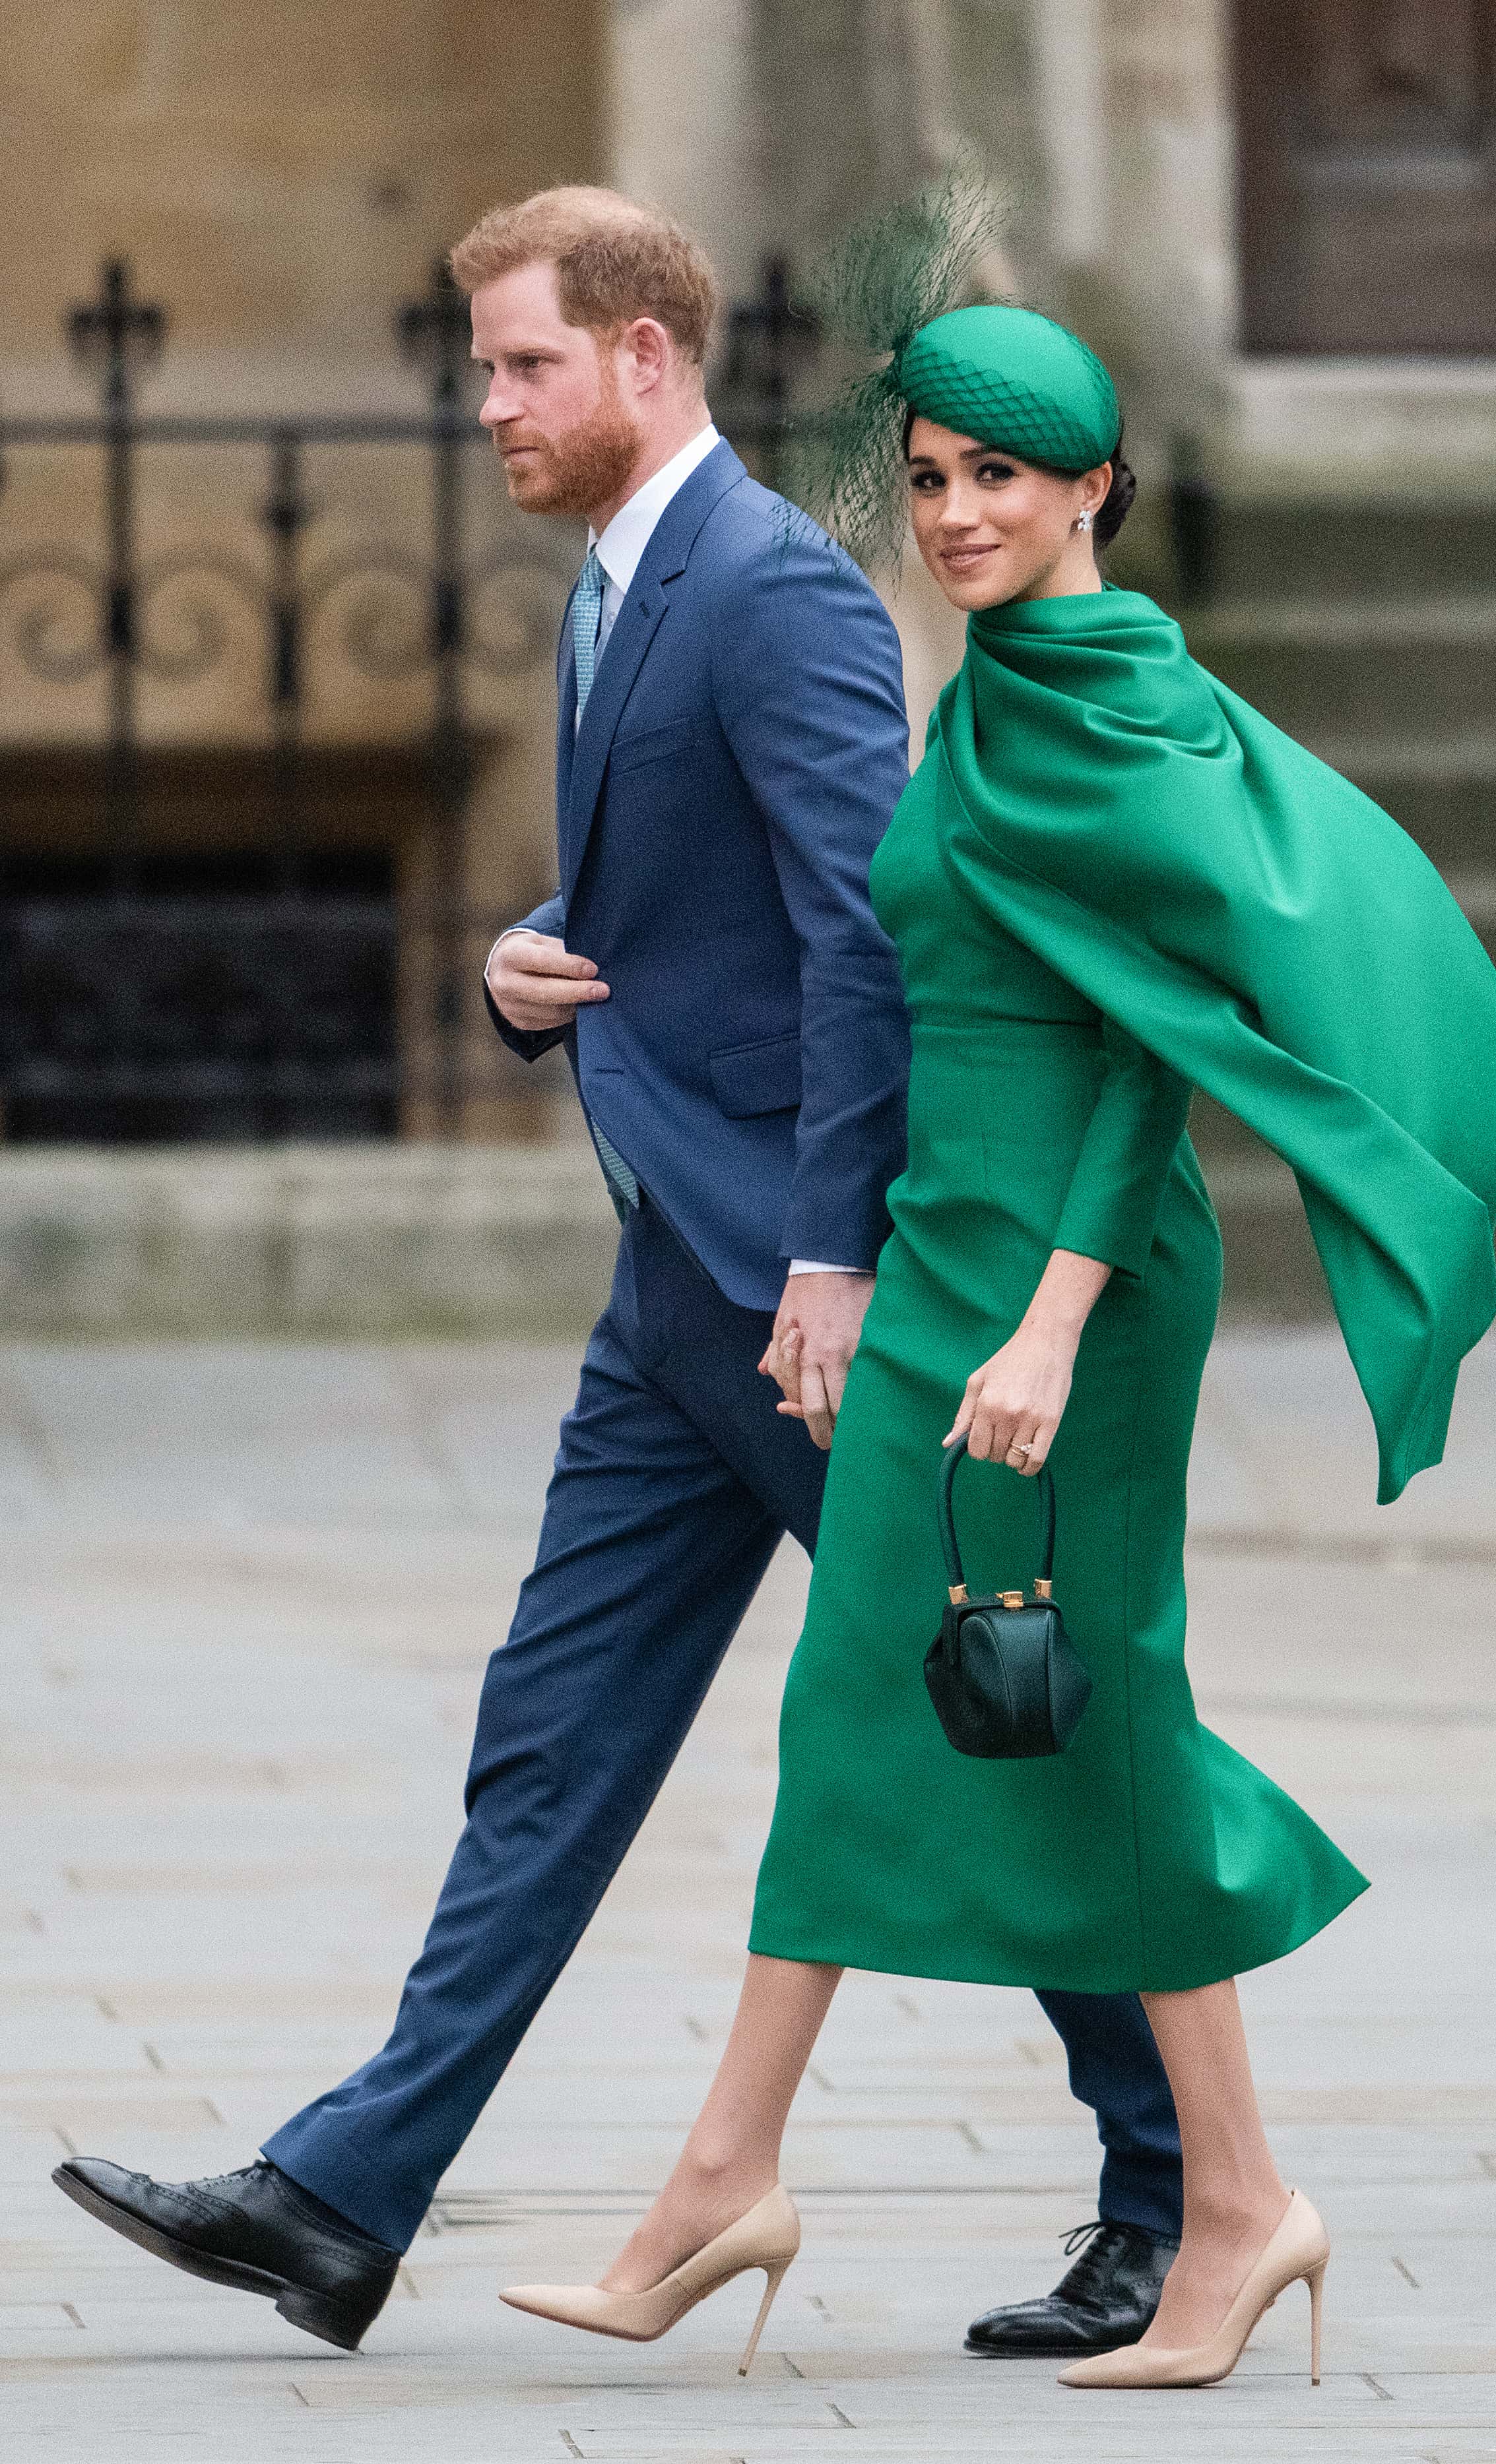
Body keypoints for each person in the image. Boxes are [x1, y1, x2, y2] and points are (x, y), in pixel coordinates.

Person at [50, 187, 1190, 2362]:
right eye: (487, 366)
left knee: (997, 1722)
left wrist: (835, 1260)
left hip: (801, 1307)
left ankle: (1177, 2193)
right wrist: (529, 962)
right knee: (554, 1736)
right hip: (677, 1285)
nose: (489, 403)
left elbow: (860, 942)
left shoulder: (770, 588)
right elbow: (686, 905)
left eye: (524, 365)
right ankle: (340, 2198)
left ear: (643, 359)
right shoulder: (617, 581)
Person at [498, 277, 1496, 2392]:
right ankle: (757, 2179)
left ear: (1094, 490)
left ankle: (1205, 2204)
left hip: (1072, 1283)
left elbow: (1158, 1050)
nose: (955, 511)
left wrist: (1049, 1327)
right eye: (931, 477)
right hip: (943, 1253)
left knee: (1093, 1705)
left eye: (1000, 477)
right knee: (885, 1703)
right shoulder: (986, 691)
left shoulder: (1113, 703)